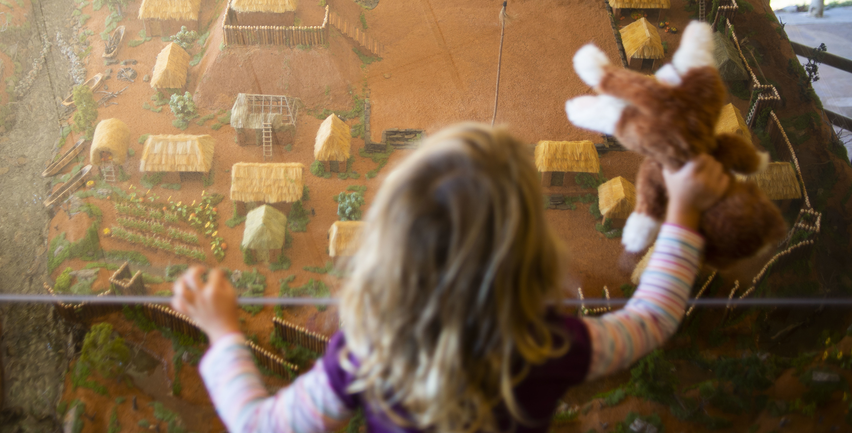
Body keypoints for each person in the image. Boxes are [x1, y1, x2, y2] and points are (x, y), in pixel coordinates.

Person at [173, 123, 728, 433]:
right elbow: (652, 318)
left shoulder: (369, 352)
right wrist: (682, 212)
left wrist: (224, 334)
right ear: (530, 256)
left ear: (388, 251)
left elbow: (256, 424)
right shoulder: (549, 345)